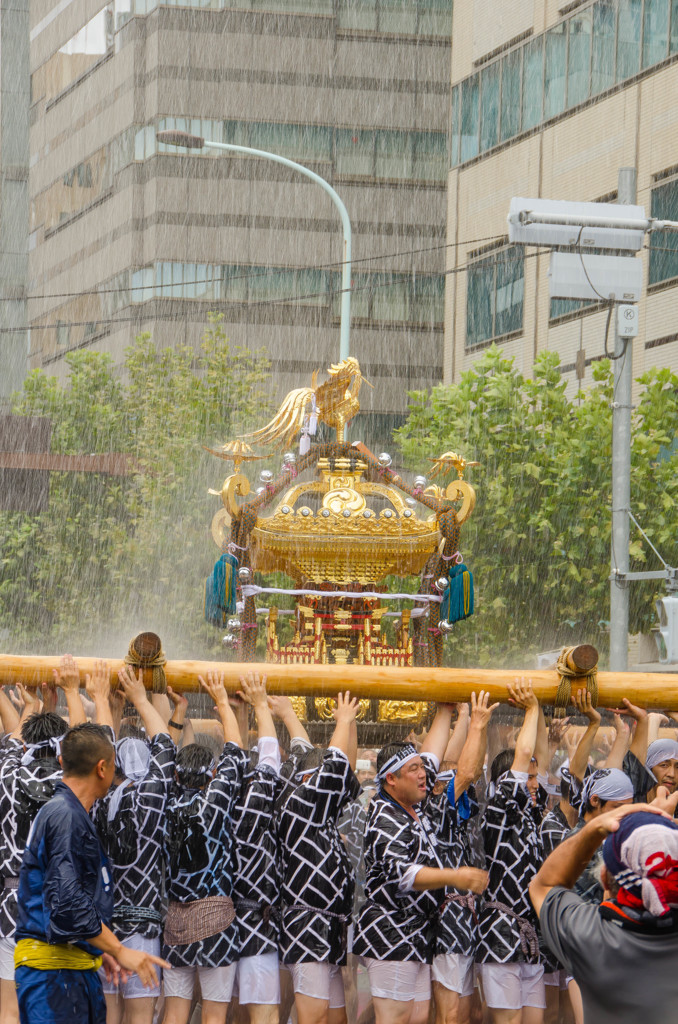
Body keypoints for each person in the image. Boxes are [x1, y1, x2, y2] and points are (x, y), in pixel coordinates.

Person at [14, 721, 168, 1024]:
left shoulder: (68, 813)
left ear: (62, 762)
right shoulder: (65, 816)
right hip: (53, 978)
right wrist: (119, 950)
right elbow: (68, 904)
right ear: (103, 768)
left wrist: (95, 948)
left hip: (68, 971)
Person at [353, 702, 488, 1024]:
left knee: (417, 1019)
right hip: (390, 929)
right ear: (391, 780)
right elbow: (402, 873)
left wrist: (443, 709)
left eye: (421, 767)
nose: (423, 773)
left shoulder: (416, 800)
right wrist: (455, 877)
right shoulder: (384, 816)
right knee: (396, 1020)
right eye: (413, 770)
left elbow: (431, 755)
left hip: (417, 931)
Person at [529, 793, 678, 1024]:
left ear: (604, 879)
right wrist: (662, 834)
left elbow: (544, 885)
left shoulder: (589, 937)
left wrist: (593, 828)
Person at [0, 656, 89, 1024]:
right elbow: (89, 745)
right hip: (61, 910)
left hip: (11, 906)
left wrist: (36, 708)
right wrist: (71, 690)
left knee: (9, 1010)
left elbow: (13, 742)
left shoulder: (7, 773)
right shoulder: (76, 785)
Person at [94, 664, 183, 1024]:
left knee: (108, 1015)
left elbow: (96, 749)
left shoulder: (98, 798)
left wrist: (104, 703)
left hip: (105, 931)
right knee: (140, 1019)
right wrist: (141, 700)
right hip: (144, 934)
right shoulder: (151, 796)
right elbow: (164, 747)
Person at [162, 671, 251, 1024]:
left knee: (174, 1013)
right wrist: (222, 701)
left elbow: (161, 756)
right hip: (215, 919)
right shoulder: (214, 802)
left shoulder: (163, 800)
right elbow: (235, 753)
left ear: (177, 776)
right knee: (214, 1015)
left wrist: (178, 712)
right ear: (211, 775)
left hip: (174, 921)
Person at [277, 692, 361, 1024]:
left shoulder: (316, 805)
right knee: (315, 1019)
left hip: (330, 925)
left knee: (336, 1020)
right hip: (306, 924)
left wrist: (286, 712)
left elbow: (341, 771)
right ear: (309, 780)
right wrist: (342, 720)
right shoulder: (299, 803)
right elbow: (337, 765)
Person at [475, 679, 549, 1024]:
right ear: (507, 783)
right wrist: (532, 708)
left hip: (529, 935)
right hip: (499, 933)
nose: (534, 784)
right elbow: (522, 756)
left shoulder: (531, 813)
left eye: (533, 778)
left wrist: (543, 711)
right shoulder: (499, 810)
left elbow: (540, 759)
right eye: (528, 778)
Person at [429, 693, 497, 1024]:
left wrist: (464, 716)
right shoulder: (432, 805)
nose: (448, 774)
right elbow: (464, 770)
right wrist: (478, 724)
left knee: (467, 1012)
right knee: (451, 1013)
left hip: (467, 916)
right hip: (448, 918)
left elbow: (456, 766)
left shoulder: (457, 804)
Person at [230, 674, 283, 1024]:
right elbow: (269, 761)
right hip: (255, 924)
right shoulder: (252, 808)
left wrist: (232, 711)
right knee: (264, 1016)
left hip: (215, 922)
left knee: (223, 1014)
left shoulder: (214, 800)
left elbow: (253, 764)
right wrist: (261, 705)